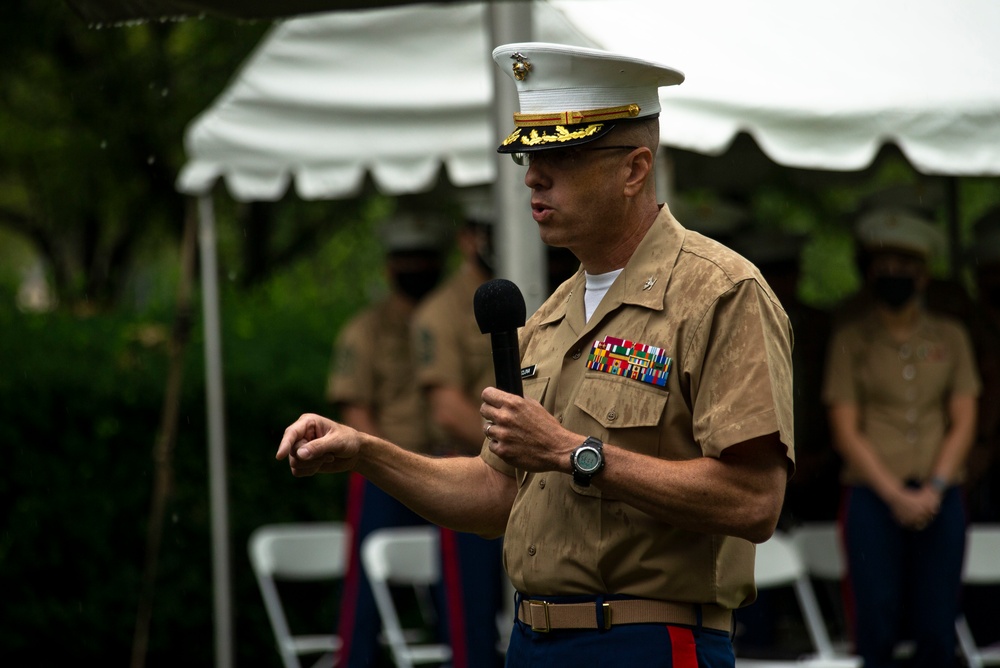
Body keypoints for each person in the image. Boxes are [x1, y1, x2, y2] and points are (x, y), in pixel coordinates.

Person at [278, 42, 794, 667]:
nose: (532, 175)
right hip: (530, 641)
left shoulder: (719, 293)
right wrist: (365, 451)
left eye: (562, 155)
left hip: (650, 640)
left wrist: (572, 453)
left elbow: (753, 500)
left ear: (634, 169)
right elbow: (498, 493)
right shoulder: (547, 319)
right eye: (529, 153)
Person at [822, 206, 980, 668]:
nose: (895, 276)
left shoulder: (950, 336)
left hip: (940, 495)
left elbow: (963, 419)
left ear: (924, 276)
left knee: (938, 623)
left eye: (906, 268)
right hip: (872, 497)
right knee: (876, 622)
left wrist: (933, 488)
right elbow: (845, 429)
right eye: (885, 268)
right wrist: (895, 496)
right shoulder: (851, 338)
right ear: (870, 275)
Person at [325, 211, 448, 667]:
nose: (416, 268)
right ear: (389, 267)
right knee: (364, 592)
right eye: (407, 259)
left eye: (425, 258)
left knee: (450, 586)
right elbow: (353, 409)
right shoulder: (365, 330)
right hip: (382, 472)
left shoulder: (449, 321)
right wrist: (386, 461)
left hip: (445, 467)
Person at [410, 197, 506, 668]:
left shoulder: (539, 287)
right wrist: (515, 448)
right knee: (471, 624)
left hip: (540, 473)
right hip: (472, 468)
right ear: (467, 238)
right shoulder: (440, 311)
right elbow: (447, 409)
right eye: (486, 230)